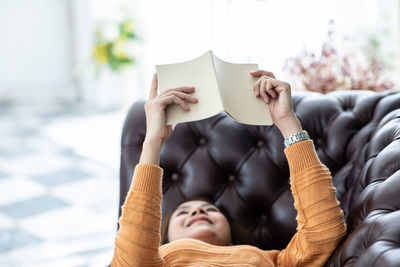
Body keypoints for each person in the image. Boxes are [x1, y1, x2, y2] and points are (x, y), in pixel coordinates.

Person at [111, 70, 347, 266]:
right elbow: (133, 255)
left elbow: (323, 234)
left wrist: (287, 123)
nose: (197, 212)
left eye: (211, 210)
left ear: (232, 232)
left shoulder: (269, 259)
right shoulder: (158, 260)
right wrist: (153, 140)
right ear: (162, 239)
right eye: (183, 213)